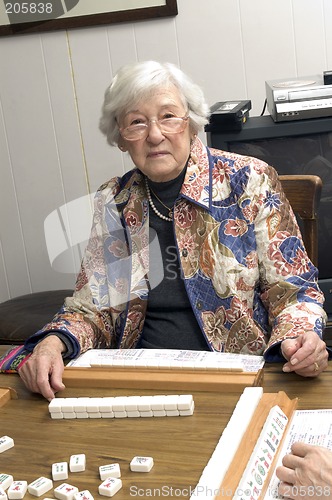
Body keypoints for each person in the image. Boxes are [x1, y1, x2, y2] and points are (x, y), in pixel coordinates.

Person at [15, 60, 328, 400]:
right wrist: (52, 342)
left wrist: (301, 339)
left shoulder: (248, 181)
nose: (154, 134)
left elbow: (293, 292)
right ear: (121, 139)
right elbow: (95, 308)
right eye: (136, 122)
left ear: (191, 124)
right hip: (138, 379)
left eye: (168, 116)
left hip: (236, 378)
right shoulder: (115, 201)